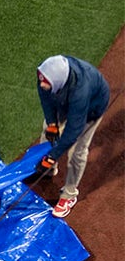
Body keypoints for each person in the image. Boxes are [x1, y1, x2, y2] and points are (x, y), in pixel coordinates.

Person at [32, 54, 110, 218]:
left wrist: (53, 155)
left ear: (57, 81)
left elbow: (74, 130)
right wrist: (53, 124)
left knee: (77, 151)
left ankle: (69, 194)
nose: (42, 83)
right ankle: (48, 170)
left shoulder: (80, 91)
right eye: (42, 79)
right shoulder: (46, 75)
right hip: (63, 98)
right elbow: (46, 100)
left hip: (91, 109)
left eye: (45, 82)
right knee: (48, 129)